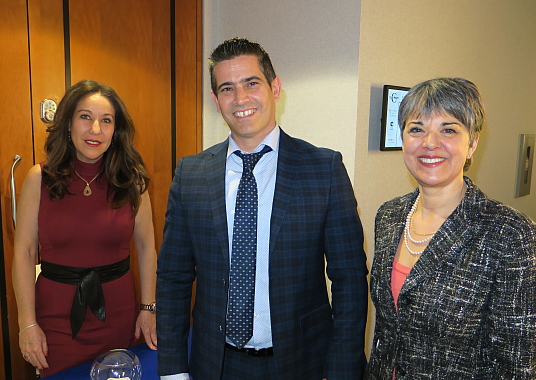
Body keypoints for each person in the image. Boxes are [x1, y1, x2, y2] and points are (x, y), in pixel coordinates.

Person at [156, 37, 368, 380]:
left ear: (275, 87)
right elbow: (173, 278)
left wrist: (342, 370)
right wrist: (173, 370)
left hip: (302, 362)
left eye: (251, 83)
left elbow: (350, 279)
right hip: (215, 363)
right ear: (216, 100)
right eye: (227, 88)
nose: (240, 99)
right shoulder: (190, 174)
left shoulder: (323, 169)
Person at [365, 78, 536, 379]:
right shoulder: (389, 215)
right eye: (417, 129)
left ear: (472, 143)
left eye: (449, 129)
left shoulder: (509, 234)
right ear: (403, 139)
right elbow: (387, 330)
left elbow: (517, 364)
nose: (430, 143)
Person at [12, 79, 158, 377]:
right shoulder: (38, 179)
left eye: (106, 121)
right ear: (68, 124)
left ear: (115, 131)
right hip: (56, 319)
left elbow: (146, 248)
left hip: (118, 314)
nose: (95, 130)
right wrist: (27, 324)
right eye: (85, 117)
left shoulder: (133, 181)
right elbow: (25, 253)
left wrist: (149, 308)